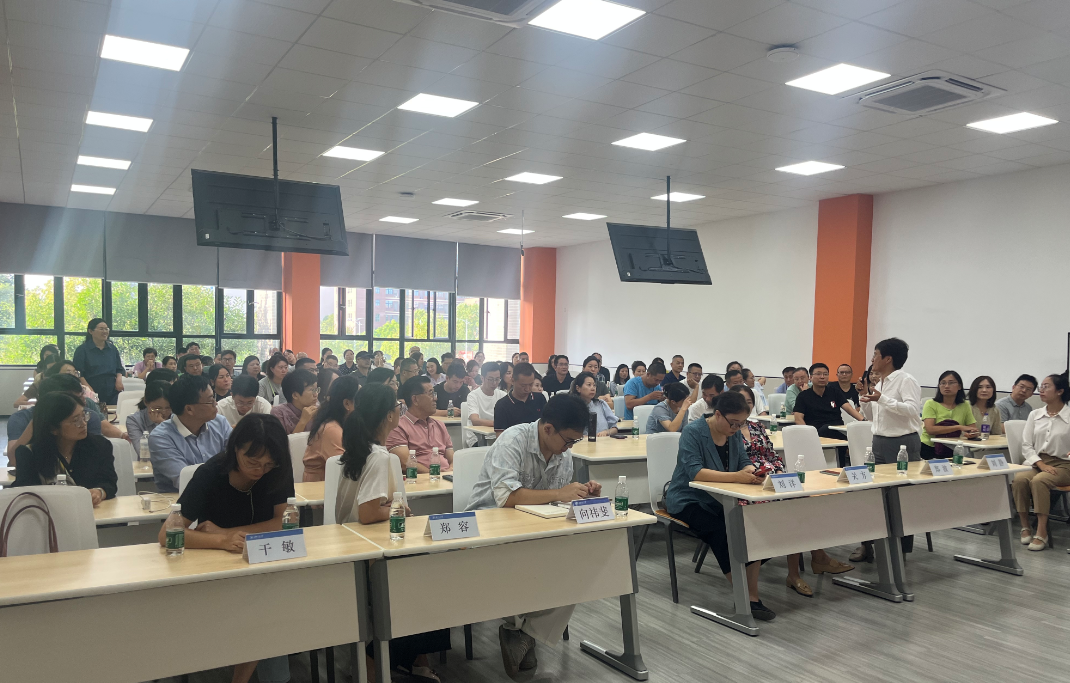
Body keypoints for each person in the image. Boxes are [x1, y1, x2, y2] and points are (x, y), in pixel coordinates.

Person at [466, 394, 600, 674]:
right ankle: (519, 630)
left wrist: (582, 496)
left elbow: (557, 501)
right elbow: (507, 498)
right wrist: (560, 493)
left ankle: (523, 633)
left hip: (535, 527)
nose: (569, 448)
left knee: (581, 566)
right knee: (530, 564)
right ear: (548, 428)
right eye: (568, 441)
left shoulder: (563, 452)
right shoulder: (513, 440)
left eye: (574, 442)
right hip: (490, 526)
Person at [161, 413, 294, 683]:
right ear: (235, 448)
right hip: (218, 568)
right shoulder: (211, 473)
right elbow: (167, 534)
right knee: (261, 609)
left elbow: (283, 522)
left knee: (271, 602)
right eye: (252, 462)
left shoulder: (278, 469)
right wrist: (221, 541)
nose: (260, 470)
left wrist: (225, 533)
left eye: (268, 464)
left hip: (263, 561)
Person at [335, 383, 451, 681]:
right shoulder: (379, 457)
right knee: (430, 582)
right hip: (372, 553)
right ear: (389, 416)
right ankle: (377, 661)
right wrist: (400, 510)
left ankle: (415, 659)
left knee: (426, 573)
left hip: (356, 546)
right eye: (398, 408)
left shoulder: (361, 450)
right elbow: (368, 512)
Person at [664, 390, 775, 620]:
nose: (737, 428)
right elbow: (696, 473)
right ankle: (746, 598)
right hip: (689, 498)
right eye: (734, 423)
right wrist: (738, 477)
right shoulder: (693, 432)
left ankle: (750, 596)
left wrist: (752, 472)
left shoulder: (732, 433)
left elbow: (743, 461)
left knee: (751, 528)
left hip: (722, 497)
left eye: (741, 423)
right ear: (717, 415)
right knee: (720, 530)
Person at [732, 385, 854, 593]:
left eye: (749, 402)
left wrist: (779, 471)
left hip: (773, 479)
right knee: (791, 510)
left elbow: (773, 456)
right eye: (741, 402)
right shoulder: (728, 431)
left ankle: (804, 566)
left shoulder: (757, 427)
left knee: (801, 501)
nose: (746, 406)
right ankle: (807, 565)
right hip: (747, 484)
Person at [853, 337, 922, 561]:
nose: (872, 359)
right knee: (874, 495)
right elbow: (872, 417)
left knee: (901, 497)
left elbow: (912, 410)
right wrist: (864, 397)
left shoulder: (905, 380)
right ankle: (870, 546)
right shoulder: (881, 383)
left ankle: (900, 552)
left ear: (888, 358)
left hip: (902, 443)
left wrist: (882, 399)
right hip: (879, 442)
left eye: (875, 354)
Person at [12, 391, 116, 506]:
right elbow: (24, 494)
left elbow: (109, 483)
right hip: (49, 514)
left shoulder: (99, 445)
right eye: (75, 420)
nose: (83, 423)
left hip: (92, 513)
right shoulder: (29, 453)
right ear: (53, 428)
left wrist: (99, 492)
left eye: (84, 416)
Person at [6, 373, 122, 464]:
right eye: (76, 398)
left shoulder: (88, 417)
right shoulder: (21, 418)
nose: (84, 401)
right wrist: (39, 419)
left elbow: (94, 460)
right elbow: (14, 460)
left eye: (82, 395)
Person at [1014, 373, 1070, 551]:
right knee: (1019, 479)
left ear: (1060, 391)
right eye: (1041, 387)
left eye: (1047, 386)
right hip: (1038, 462)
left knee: (1040, 481)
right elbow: (1026, 445)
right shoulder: (1035, 414)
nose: (1042, 390)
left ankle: (1041, 531)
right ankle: (1025, 526)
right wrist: (1041, 464)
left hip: (1064, 464)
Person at [148, 374, 232, 493]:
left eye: (214, 398)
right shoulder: (161, 437)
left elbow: (236, 460)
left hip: (221, 495)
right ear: (189, 409)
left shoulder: (220, 423)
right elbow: (186, 480)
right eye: (210, 401)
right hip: (179, 499)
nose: (215, 403)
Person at [793, 363, 865, 466]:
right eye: (818, 374)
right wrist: (809, 435)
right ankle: (848, 448)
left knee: (852, 433)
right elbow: (798, 418)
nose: (822, 377)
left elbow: (849, 409)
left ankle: (849, 459)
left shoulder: (834, 392)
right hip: (817, 432)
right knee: (826, 429)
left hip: (837, 429)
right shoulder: (803, 396)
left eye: (825, 374)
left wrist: (863, 421)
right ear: (810, 377)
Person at [389, 376, 453, 473]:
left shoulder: (439, 425)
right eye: (430, 393)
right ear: (415, 399)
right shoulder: (398, 427)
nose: (435, 398)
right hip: (419, 479)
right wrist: (435, 475)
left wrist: (451, 471)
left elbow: (452, 457)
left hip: (446, 476)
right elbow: (405, 462)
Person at [303, 375, 361, 482]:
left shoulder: (346, 423)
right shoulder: (331, 429)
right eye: (360, 399)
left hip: (337, 484)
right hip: (319, 487)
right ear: (347, 403)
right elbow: (347, 468)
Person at [920, 370, 978, 460]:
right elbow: (930, 429)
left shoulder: (965, 405)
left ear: (959, 386)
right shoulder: (930, 404)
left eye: (951, 383)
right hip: (930, 448)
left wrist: (971, 434)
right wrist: (958, 427)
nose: (946, 386)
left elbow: (972, 428)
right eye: (943, 383)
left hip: (955, 447)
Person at [72, 317, 124, 406]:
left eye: (106, 329)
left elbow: (119, 369)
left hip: (112, 389)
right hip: (92, 388)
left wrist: (118, 381)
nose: (105, 331)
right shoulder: (82, 350)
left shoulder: (112, 349)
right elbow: (79, 373)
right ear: (90, 331)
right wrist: (89, 390)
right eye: (101, 329)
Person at [494, 363, 546, 432]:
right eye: (523, 385)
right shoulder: (502, 405)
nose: (527, 389)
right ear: (513, 381)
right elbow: (500, 436)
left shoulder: (540, 399)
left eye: (531, 384)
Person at [466, 362, 506, 446]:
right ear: (482, 378)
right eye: (490, 379)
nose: (494, 383)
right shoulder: (473, 396)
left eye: (497, 379)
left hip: (497, 435)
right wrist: (498, 424)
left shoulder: (503, 395)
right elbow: (475, 421)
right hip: (477, 437)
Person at [126, 381, 172, 454]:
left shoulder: (178, 416)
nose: (164, 412)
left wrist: (163, 423)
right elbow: (143, 452)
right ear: (146, 402)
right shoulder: (134, 420)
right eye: (158, 408)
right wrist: (162, 425)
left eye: (168, 408)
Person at [271, 369, 319, 434]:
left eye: (316, 389)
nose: (316, 394)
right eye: (312, 390)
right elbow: (282, 440)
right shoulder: (279, 413)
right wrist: (303, 421)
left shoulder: (318, 409)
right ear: (295, 395)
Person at [570, 371, 618, 436]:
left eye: (594, 385)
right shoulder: (572, 407)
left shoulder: (601, 404)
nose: (593, 388)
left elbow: (614, 428)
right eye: (589, 385)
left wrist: (607, 432)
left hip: (603, 441)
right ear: (578, 388)